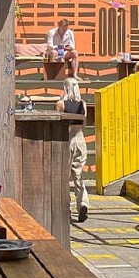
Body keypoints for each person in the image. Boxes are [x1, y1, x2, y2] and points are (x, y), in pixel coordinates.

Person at [58, 74, 90, 223]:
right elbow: (84, 123)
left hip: (67, 139)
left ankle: (66, 210)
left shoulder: (60, 104)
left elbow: (58, 124)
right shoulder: (83, 104)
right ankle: (83, 203)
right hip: (80, 139)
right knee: (78, 175)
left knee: (64, 177)